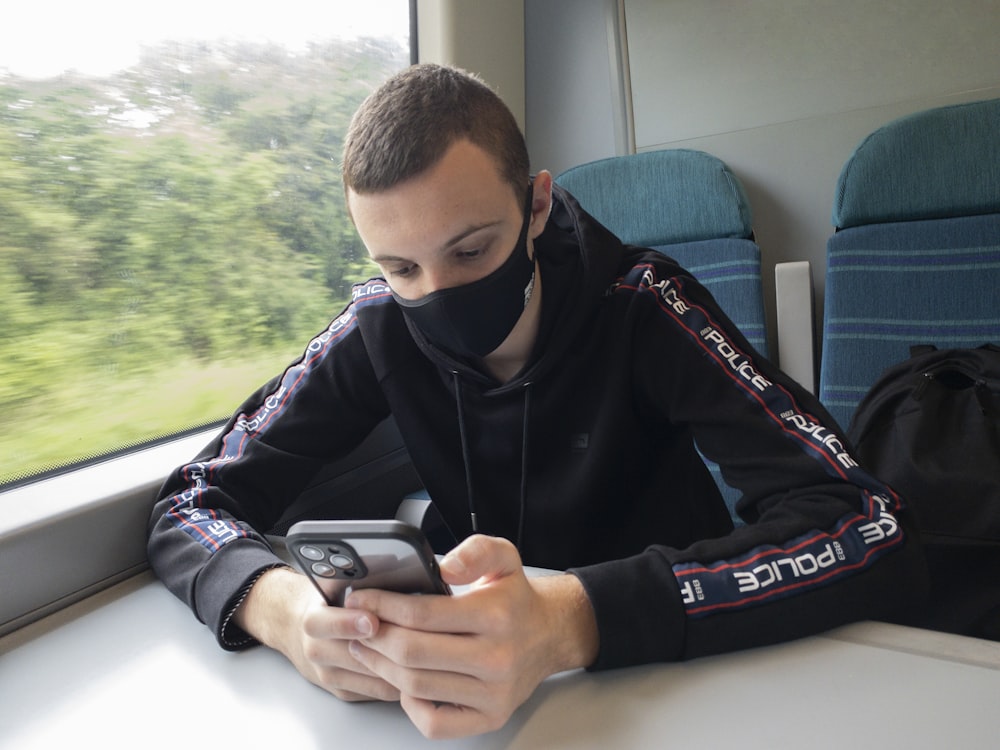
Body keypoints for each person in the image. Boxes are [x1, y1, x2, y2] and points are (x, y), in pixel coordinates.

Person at [148, 63, 926, 739]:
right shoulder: (377, 329)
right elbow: (190, 501)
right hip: (466, 695)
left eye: (471, 249)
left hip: (679, 663)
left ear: (538, 205)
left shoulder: (644, 307)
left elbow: (865, 519)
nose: (435, 295)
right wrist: (286, 615)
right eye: (400, 267)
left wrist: (568, 620)